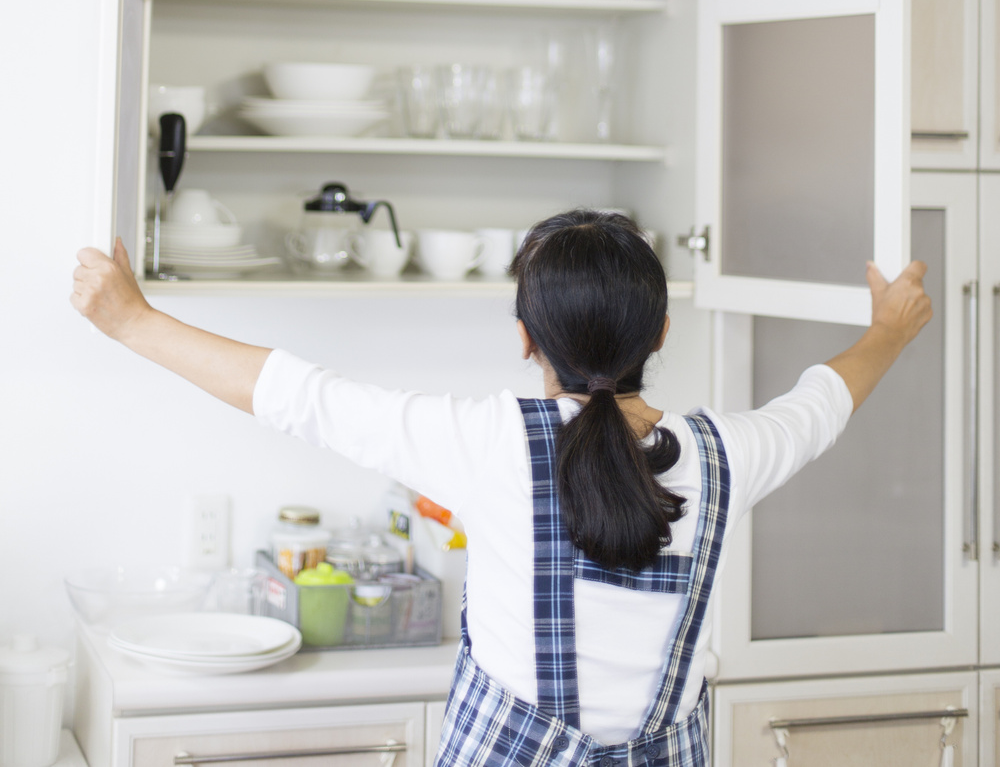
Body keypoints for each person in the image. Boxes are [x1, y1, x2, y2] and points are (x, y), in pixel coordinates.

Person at [72, 209, 932, 767]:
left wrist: (131, 320)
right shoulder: (725, 455)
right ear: (662, 331)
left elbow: (297, 395)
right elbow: (825, 399)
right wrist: (890, 326)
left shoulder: (487, 442)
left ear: (526, 340)